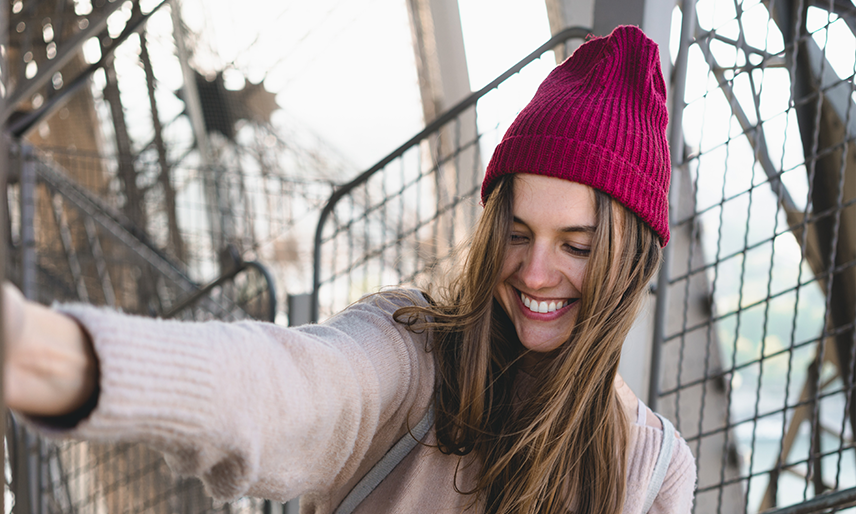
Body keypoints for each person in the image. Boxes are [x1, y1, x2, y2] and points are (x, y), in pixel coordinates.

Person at [5, 25, 696, 514]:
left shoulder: (656, 471)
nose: (536, 272)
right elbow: (286, 383)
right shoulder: (413, 355)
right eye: (517, 233)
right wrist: (45, 352)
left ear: (629, 261)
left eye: (576, 245)